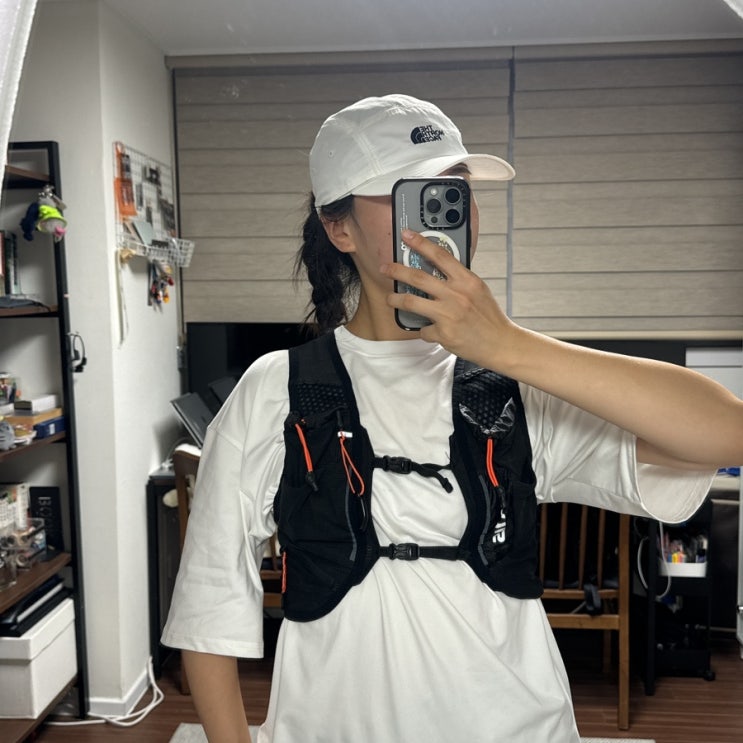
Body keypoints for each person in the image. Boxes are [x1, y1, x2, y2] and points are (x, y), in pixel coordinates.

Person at [162, 94, 743, 743]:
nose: (444, 212)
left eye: (457, 190)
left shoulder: (514, 383)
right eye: (414, 193)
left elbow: (728, 433)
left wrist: (507, 347)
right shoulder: (277, 387)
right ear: (339, 228)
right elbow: (209, 608)